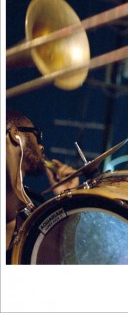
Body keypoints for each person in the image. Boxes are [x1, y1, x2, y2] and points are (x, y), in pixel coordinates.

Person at [5, 109, 80, 257]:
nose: (41, 146)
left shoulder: (32, 210)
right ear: (15, 134)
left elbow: (62, 255)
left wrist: (66, 197)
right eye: (37, 135)